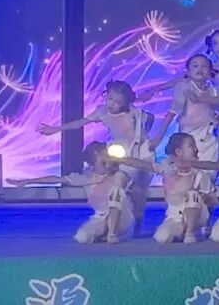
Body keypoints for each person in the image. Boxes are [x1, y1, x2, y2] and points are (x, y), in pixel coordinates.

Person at [36, 80, 153, 233]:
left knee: (139, 190)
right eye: (110, 99)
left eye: (118, 102)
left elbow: (150, 118)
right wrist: (55, 129)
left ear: (125, 103)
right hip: (119, 152)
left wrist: (144, 135)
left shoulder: (133, 113)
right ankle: (113, 222)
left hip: (141, 152)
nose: (112, 104)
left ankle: (137, 218)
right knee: (119, 185)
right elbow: (80, 123)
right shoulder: (102, 112)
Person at [9, 142, 132, 244]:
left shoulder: (119, 174)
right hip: (101, 217)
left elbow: (134, 175)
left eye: (108, 161)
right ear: (92, 165)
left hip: (122, 217)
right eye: (103, 163)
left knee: (115, 191)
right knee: (82, 237)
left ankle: (112, 233)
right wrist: (28, 181)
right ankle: (103, 234)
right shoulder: (86, 178)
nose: (107, 165)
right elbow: (56, 179)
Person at [149, 55, 219, 197]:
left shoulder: (215, 92)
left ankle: (205, 210)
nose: (200, 69)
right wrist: (158, 138)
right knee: (186, 183)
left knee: (207, 186)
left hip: (208, 142)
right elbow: (171, 113)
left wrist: (215, 123)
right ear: (188, 71)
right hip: (186, 141)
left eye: (204, 66)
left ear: (210, 71)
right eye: (195, 66)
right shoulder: (184, 88)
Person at [117, 132, 219, 244]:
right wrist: (117, 159)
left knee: (192, 195)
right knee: (162, 237)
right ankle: (180, 232)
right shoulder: (167, 170)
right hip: (174, 216)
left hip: (197, 214)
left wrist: (204, 197)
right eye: (191, 146)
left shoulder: (200, 174)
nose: (196, 150)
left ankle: (190, 232)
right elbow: (141, 164)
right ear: (178, 152)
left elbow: (214, 200)